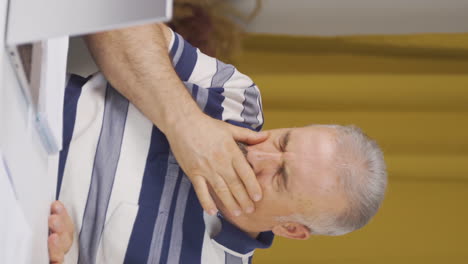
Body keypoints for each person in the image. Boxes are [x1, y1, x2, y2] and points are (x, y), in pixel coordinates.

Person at [50, 24, 387, 264]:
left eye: (280, 176)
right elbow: (114, 18)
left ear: (291, 229)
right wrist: (186, 124)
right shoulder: (238, 98)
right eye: (283, 141)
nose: (258, 154)